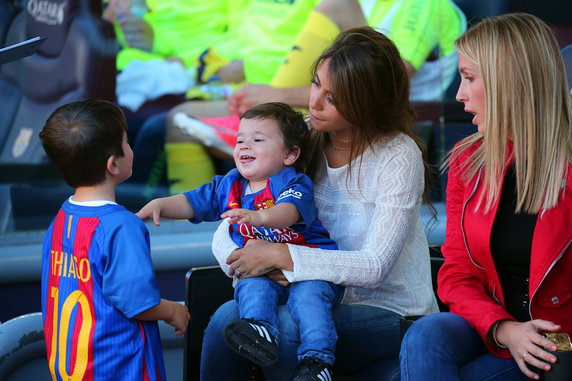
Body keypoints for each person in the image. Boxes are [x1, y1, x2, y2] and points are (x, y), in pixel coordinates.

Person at [199, 26, 439, 380]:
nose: (313, 102)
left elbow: (374, 267)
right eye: (315, 84)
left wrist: (284, 258)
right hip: (311, 294)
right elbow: (231, 222)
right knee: (225, 319)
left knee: (285, 328)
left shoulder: (398, 155)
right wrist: (246, 263)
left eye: (333, 97)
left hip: (391, 308)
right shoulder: (303, 137)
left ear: (367, 101)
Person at [399, 13, 572, 381]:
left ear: (509, 81)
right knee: (427, 334)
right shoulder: (468, 158)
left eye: (469, 78)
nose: (459, 94)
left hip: (558, 337)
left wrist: (534, 336)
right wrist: (505, 329)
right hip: (494, 325)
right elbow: (456, 274)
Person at [137, 102, 342, 379]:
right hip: (265, 271)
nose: (245, 146)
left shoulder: (292, 182)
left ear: (290, 154)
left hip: (308, 266)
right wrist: (162, 204)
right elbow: (193, 202)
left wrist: (259, 218)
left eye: (258, 140)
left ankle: (317, 361)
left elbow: (289, 212)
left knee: (310, 300)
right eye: (240, 140)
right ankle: (260, 333)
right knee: (252, 286)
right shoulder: (229, 184)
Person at [164, 0, 466, 187]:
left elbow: (388, 79)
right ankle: (205, 231)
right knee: (181, 118)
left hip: (384, 116)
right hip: (335, 108)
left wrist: (278, 95)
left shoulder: (425, 3)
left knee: (336, 4)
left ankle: (271, 116)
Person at [39, 99, 190, 380]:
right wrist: (173, 310)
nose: (130, 148)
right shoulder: (121, 226)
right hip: (120, 369)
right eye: (127, 142)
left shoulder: (62, 218)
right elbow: (138, 303)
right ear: (113, 164)